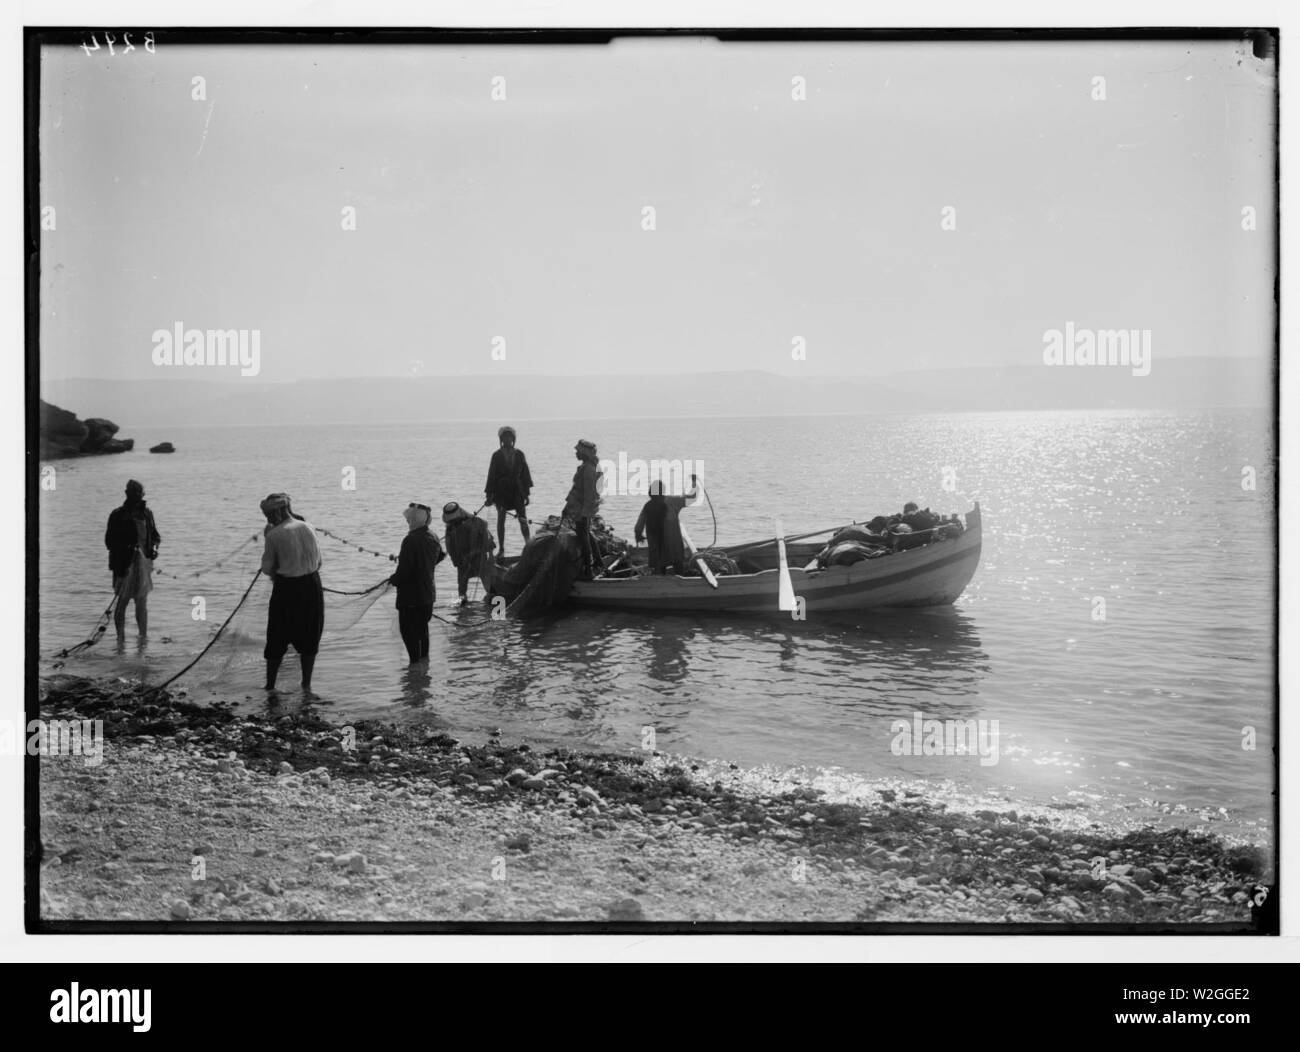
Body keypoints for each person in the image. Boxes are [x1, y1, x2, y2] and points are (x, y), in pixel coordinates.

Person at [260, 492, 324, 695]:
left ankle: (270, 685)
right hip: (312, 586)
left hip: (287, 589)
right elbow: (319, 562)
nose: (267, 519)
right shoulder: (308, 527)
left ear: (277, 511)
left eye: (269, 515)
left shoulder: (273, 534)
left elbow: (267, 567)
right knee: (310, 633)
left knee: (277, 635)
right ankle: (306, 684)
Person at [388, 502, 445, 664]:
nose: (408, 522)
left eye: (410, 519)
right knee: (422, 631)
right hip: (428, 596)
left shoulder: (410, 540)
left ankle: (415, 673)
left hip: (411, 599)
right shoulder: (433, 536)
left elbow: (404, 572)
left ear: (415, 520)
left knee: (409, 634)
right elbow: (440, 556)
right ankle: (424, 671)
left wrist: (393, 579)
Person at [104, 479, 161, 640]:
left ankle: (143, 638)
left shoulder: (147, 513)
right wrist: (128, 548)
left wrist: (155, 549)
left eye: (140, 493)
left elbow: (156, 537)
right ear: (127, 494)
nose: (138, 496)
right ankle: (120, 639)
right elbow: (109, 541)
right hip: (124, 565)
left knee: (141, 603)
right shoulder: (117, 515)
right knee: (122, 601)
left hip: (144, 565)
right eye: (135, 493)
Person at [484, 426, 533, 559]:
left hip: (517, 491)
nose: (507, 439)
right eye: (504, 437)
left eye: (510, 437)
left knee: (523, 519)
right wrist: (489, 495)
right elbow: (491, 475)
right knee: (501, 519)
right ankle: (502, 549)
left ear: (513, 439)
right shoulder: (496, 455)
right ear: (501, 439)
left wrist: (527, 494)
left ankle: (529, 546)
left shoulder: (519, 454)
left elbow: (525, 475)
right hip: (501, 491)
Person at [635, 474, 699, 574]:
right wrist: (694, 483)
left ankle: (660, 580)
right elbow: (693, 497)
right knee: (678, 566)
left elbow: (638, 527)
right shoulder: (673, 502)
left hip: (657, 550)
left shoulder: (648, 506)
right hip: (674, 548)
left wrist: (639, 536)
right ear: (663, 491)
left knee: (659, 568)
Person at [562, 438, 603, 578]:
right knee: (586, 534)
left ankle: (589, 569)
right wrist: (567, 507)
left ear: (584, 453)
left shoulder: (588, 470)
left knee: (583, 537)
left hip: (583, 510)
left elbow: (589, 494)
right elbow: (576, 490)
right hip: (579, 509)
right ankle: (598, 561)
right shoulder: (585, 467)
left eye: (577, 451)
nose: (576, 454)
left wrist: (585, 514)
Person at [442, 501, 495, 605]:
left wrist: (491, 556)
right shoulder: (450, 529)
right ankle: (463, 606)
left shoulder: (477, 522)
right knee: (462, 589)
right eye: (451, 520)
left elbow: (488, 540)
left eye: (455, 519)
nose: (453, 521)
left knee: (490, 588)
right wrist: (456, 561)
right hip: (462, 561)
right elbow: (449, 547)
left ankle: (492, 602)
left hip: (480, 558)